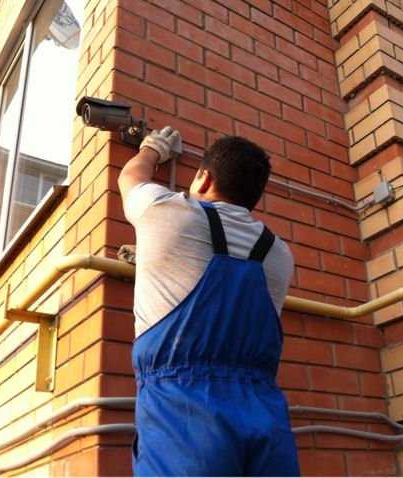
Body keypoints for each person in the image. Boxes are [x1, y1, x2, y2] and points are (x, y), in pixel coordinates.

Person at [118, 126, 299, 476]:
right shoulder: (279, 253)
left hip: (183, 414)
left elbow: (131, 178)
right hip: (265, 415)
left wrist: (152, 148)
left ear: (204, 177)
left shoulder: (166, 212)